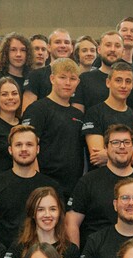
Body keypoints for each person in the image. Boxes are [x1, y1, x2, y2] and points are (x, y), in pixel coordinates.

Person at [68, 124, 133, 248]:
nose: (122, 146)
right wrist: (74, 256)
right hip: (98, 255)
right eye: (115, 142)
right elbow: (71, 222)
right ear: (106, 147)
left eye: (127, 142)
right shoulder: (88, 181)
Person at [0, 125, 60, 248]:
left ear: (38, 149)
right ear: (10, 150)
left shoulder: (51, 186)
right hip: (2, 255)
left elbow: (60, 227)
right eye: (18, 145)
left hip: (41, 253)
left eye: (29, 144)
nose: (24, 149)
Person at [21, 58, 85, 195]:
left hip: (73, 187)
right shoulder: (37, 109)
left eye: (72, 78)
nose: (67, 83)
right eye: (62, 77)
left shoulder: (78, 115)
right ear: (52, 79)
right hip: (44, 185)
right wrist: (37, 183)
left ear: (78, 82)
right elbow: (29, 149)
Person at [3, 187, 80, 258]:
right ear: (32, 214)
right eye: (40, 209)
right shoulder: (18, 247)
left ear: (59, 213)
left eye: (53, 209)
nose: (47, 214)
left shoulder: (71, 250)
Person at [82, 62, 133, 168]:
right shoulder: (94, 113)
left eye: (128, 81)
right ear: (108, 82)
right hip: (103, 176)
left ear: (132, 85)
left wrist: (108, 155)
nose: (123, 86)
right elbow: (97, 157)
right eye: (118, 80)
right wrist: (132, 156)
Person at [72, 31, 125, 113]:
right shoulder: (84, 79)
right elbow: (76, 114)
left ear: (123, 51)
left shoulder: (132, 80)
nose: (112, 49)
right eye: (108, 45)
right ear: (99, 50)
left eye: (117, 46)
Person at [21, 29, 74, 110]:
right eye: (58, 42)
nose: (63, 45)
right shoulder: (35, 75)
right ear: (49, 47)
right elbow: (27, 111)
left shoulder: (78, 77)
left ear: (72, 48)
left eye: (66, 42)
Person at [0, 32, 31, 111]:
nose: (18, 54)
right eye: (13, 50)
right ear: (6, 53)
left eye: (23, 50)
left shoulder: (32, 79)